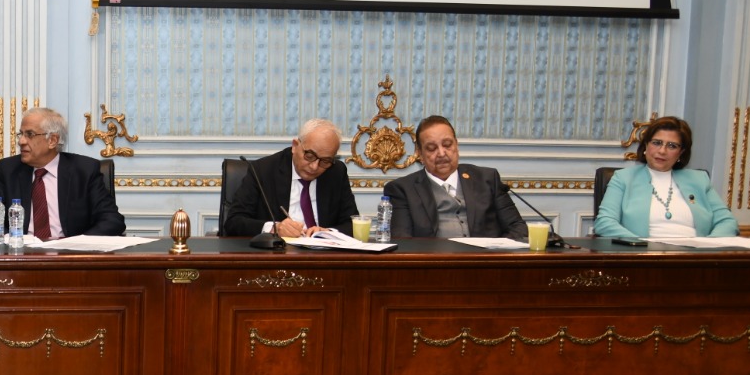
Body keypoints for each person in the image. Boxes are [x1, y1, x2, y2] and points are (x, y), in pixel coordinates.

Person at [0, 107, 125, 239]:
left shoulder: (84, 170)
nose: (21, 141)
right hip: (21, 255)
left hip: (68, 257)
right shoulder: (8, 170)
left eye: (30, 134)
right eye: (21, 134)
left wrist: (76, 244)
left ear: (52, 140)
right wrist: (11, 239)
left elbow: (112, 220)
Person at [594, 116, 738, 240]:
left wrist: (708, 246)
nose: (662, 151)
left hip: (694, 256)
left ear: (681, 152)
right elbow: (605, 223)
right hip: (643, 255)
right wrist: (639, 245)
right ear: (646, 145)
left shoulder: (699, 180)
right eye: (656, 143)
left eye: (672, 146)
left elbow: (727, 222)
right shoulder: (623, 178)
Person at [384, 115, 527, 240]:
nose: (441, 153)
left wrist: (495, 253)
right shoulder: (402, 190)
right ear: (420, 154)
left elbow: (518, 228)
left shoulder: (487, 179)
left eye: (447, 145)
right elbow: (403, 241)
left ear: (456, 145)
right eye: (432, 148)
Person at [222, 119, 357, 238]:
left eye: (325, 161)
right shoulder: (263, 170)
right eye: (309, 156)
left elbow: (352, 223)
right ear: (295, 146)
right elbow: (234, 222)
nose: (314, 167)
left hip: (323, 254)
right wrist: (275, 228)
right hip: (277, 254)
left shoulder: (336, 172)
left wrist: (328, 233)